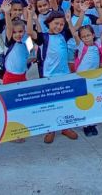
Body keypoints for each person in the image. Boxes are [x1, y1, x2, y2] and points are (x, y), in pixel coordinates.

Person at [27, 10, 79, 142]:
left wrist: (69, 20)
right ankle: (50, 129)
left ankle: (65, 127)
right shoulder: (43, 37)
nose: (59, 26)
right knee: (50, 103)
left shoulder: (64, 35)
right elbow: (29, 32)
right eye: (56, 23)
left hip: (64, 74)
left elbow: (75, 29)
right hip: (49, 76)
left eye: (61, 24)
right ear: (49, 23)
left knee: (65, 102)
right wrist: (30, 16)